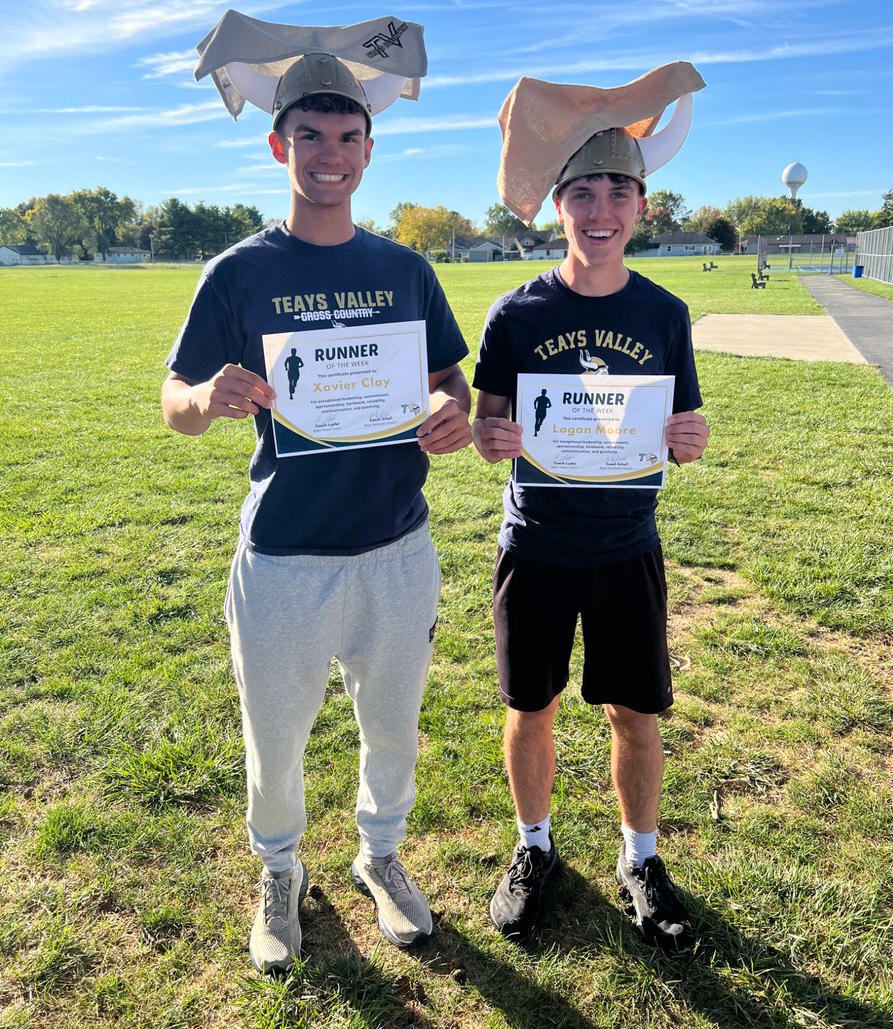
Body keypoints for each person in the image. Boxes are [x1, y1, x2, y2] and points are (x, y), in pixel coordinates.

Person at [162, 48, 471, 973]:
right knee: (276, 735)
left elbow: (448, 381)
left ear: (369, 152)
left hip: (394, 549)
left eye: (346, 137)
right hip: (286, 555)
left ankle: (379, 855)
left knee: (391, 726)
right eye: (309, 136)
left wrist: (453, 411)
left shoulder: (405, 269)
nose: (328, 153)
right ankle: (279, 870)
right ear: (277, 146)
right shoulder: (237, 272)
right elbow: (173, 402)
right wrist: (205, 399)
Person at [472, 64, 709, 948]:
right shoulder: (516, 313)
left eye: (618, 191)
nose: (600, 210)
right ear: (558, 204)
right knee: (529, 708)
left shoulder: (665, 312)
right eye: (583, 192)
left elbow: (682, 422)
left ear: (642, 206)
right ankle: (535, 848)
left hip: (625, 543)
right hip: (535, 543)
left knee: (634, 712)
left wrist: (693, 440)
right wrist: (489, 439)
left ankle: (639, 857)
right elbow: (490, 423)